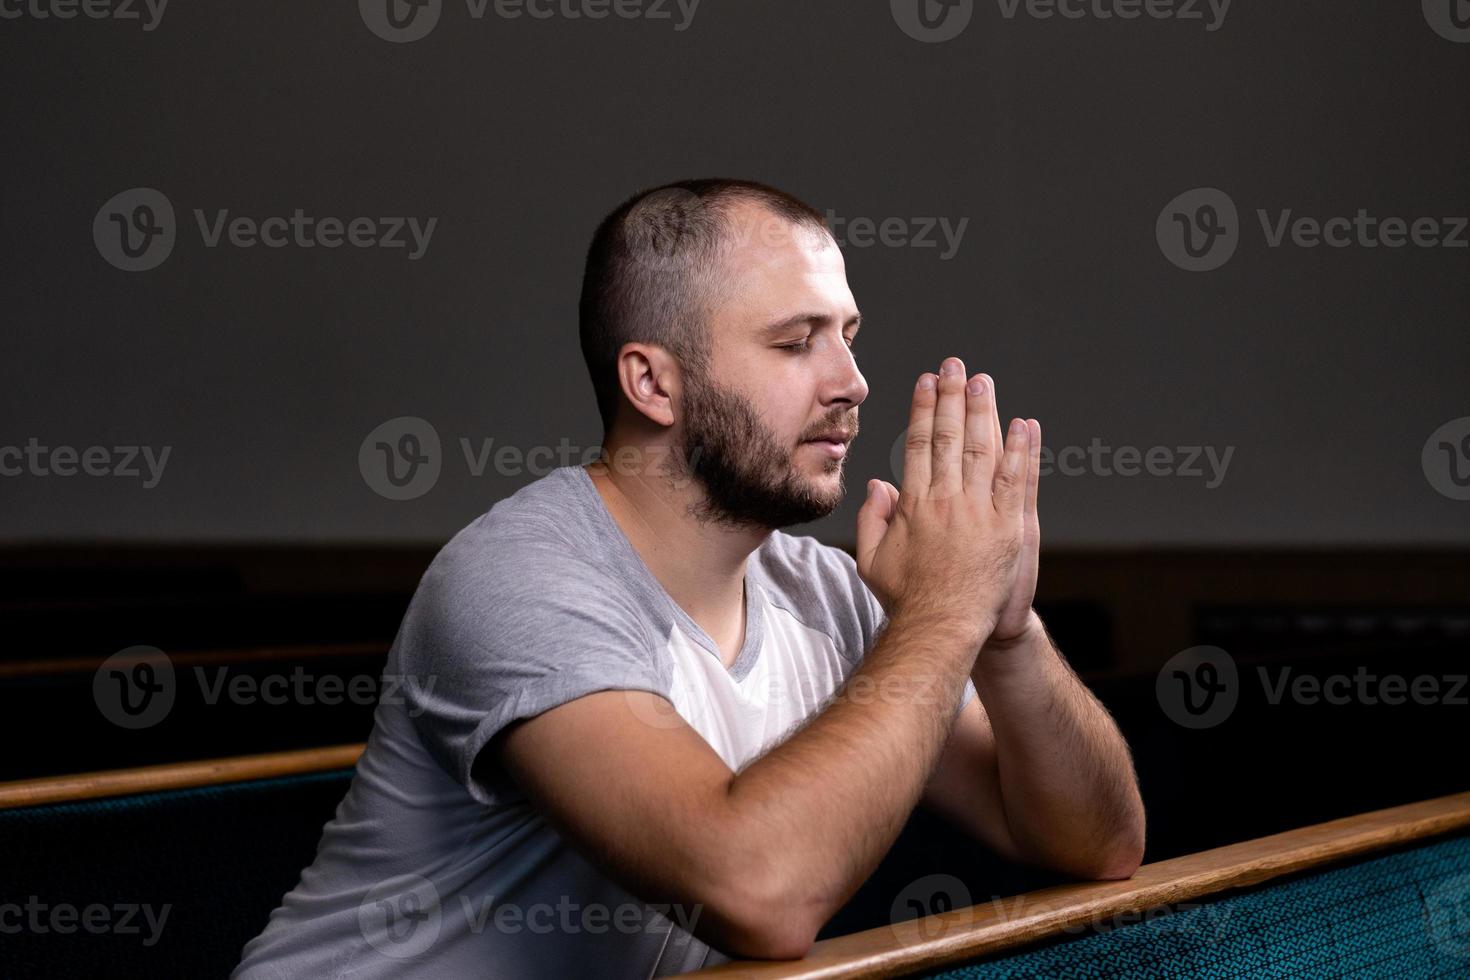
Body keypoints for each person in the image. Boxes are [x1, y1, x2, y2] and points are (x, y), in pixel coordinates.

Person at [232, 178, 1145, 978]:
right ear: (653, 384)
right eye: (796, 344)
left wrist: (1004, 629)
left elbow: (1095, 843)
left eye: (849, 336)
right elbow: (756, 893)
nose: (854, 381)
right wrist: (946, 614)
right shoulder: (519, 578)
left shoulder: (825, 592)